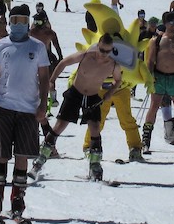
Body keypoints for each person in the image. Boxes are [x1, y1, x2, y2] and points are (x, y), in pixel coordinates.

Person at [0, 4, 50, 224]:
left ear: (28, 22)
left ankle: (17, 205)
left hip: (28, 110)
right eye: (15, 20)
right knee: (1, 155)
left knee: (22, 157)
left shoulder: (37, 47)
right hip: (4, 106)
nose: (19, 25)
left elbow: (44, 78)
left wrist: (42, 106)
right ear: (10, 22)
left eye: (23, 21)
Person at [33, 35, 122, 182]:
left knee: (95, 128)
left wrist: (109, 93)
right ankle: (40, 160)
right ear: (98, 45)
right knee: (60, 125)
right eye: (101, 50)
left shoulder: (113, 64)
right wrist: (52, 80)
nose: (103, 54)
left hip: (93, 96)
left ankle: (95, 165)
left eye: (107, 51)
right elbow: (63, 63)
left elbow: (118, 80)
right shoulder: (86, 55)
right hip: (76, 92)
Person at [142, 14, 174, 152]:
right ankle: (146, 140)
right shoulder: (157, 40)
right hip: (159, 77)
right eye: (172, 22)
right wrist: (149, 76)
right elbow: (150, 60)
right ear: (165, 23)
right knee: (153, 106)